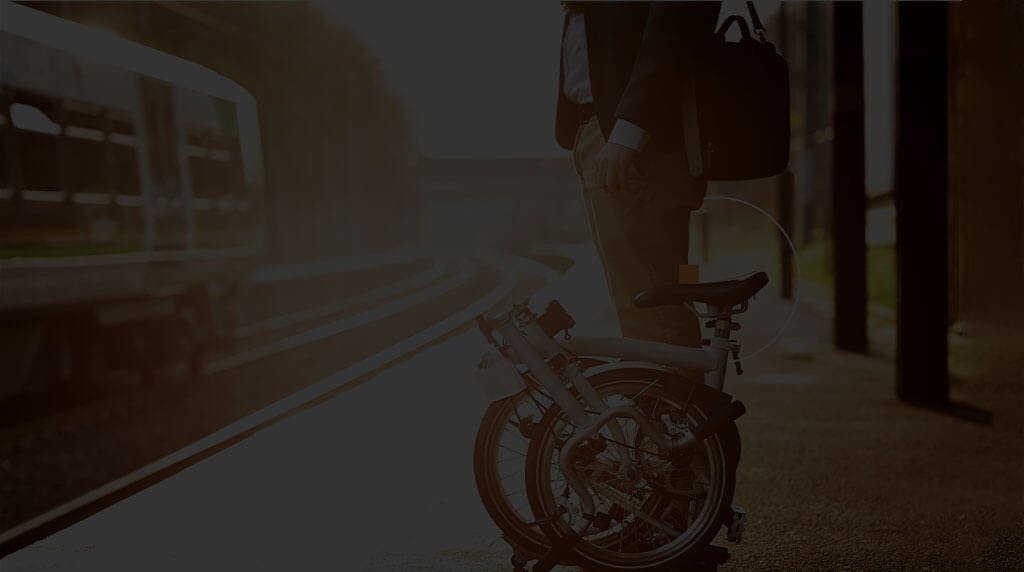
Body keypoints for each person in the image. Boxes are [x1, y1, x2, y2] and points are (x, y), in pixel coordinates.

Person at [557, 1, 719, 347]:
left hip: (630, 137)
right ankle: (669, 397)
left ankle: (666, 398)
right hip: (603, 128)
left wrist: (627, 135)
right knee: (649, 295)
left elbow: (676, 22)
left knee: (649, 304)